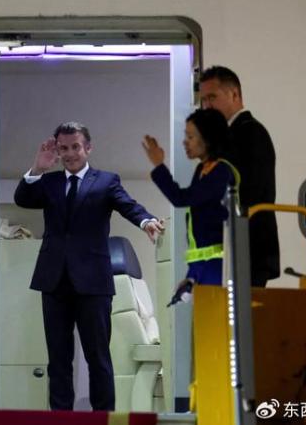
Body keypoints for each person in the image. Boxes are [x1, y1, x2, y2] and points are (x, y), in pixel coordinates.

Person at [14, 121, 164, 411]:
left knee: (98, 357)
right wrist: (38, 168)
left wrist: (146, 221)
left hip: (93, 281)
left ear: (88, 148)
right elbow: (23, 199)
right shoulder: (49, 182)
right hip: (54, 280)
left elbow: (128, 205)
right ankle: (61, 417)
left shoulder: (106, 181)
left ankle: (103, 416)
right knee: (58, 358)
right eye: (63, 148)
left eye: (75, 147)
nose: (70, 153)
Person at [199, 66, 279, 287]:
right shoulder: (229, 136)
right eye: (203, 100)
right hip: (233, 248)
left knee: (241, 310)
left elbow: (249, 191)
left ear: (234, 94)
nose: (207, 106)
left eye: (212, 97)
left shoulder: (250, 132)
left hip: (246, 248)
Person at [143, 108, 237, 288]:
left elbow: (181, 198)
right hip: (204, 267)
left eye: (191, 137)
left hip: (218, 268)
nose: (185, 142)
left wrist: (159, 165)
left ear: (208, 139)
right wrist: (192, 276)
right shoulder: (202, 170)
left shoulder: (221, 172)